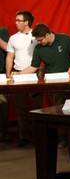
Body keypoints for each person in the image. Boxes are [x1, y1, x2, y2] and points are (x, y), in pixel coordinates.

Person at [17, 23, 70, 148]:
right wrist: (18, 74)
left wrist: (69, 73)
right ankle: (63, 138)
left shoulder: (65, 39)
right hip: (53, 83)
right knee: (59, 111)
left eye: (41, 40)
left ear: (47, 35)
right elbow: (33, 67)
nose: (39, 43)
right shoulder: (39, 48)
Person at [6, 11, 43, 147]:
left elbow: (44, 53)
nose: (15, 22)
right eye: (15, 20)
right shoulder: (13, 38)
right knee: (20, 107)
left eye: (18, 20)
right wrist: (9, 74)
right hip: (17, 76)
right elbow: (10, 57)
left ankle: (38, 134)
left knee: (36, 107)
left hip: (34, 75)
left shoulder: (36, 35)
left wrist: (42, 69)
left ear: (26, 22)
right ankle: (24, 136)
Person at [0, 27, 10, 142]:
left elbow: (8, 48)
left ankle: (4, 132)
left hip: (1, 74)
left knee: (2, 104)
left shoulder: (2, 31)